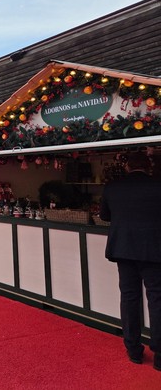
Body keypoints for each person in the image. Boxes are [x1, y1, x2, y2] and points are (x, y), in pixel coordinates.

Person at [99, 151, 161, 371]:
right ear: (148, 165)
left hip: (123, 249)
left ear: (127, 167)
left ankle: (133, 349)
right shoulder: (157, 185)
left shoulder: (113, 187)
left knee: (129, 298)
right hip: (154, 250)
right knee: (157, 299)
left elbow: (105, 216)